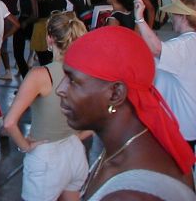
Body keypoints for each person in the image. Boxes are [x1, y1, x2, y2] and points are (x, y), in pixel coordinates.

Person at [57, 26, 195, 200]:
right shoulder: (134, 145)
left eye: (72, 80)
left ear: (116, 93)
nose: (60, 89)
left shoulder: (128, 196)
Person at [4, 11, 90, 201]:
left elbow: (9, 122)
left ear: (50, 39)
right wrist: (77, 136)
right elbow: (101, 117)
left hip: (46, 157)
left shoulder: (40, 75)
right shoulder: (85, 72)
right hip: (75, 152)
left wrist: (25, 146)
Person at [135, 0, 196, 148]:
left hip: (180, 128)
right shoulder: (189, 43)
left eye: (174, 14)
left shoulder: (182, 45)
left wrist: (140, 19)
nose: (171, 18)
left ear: (183, 17)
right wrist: (180, 2)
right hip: (189, 124)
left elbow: (156, 49)